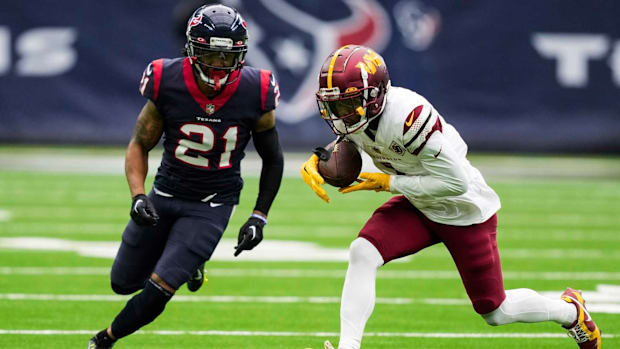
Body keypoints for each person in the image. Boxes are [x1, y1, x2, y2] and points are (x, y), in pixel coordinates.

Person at [300, 45, 601, 349]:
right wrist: (324, 158)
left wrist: (388, 183)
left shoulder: (409, 116)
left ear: (375, 97)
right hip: (418, 205)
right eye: (336, 107)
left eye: (348, 105)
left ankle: (570, 311)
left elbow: (455, 183)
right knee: (362, 252)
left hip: (464, 210)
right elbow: (356, 143)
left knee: (496, 311)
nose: (341, 116)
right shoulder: (361, 117)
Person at [88, 4, 283, 348]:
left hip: (212, 204)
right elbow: (139, 143)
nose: (220, 66)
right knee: (122, 282)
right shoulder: (168, 80)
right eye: (211, 55)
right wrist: (137, 196)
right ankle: (188, 261)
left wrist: (258, 216)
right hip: (164, 192)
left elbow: (273, 158)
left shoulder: (256, 88)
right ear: (192, 49)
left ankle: (105, 339)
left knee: (160, 287)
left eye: (228, 57)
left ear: (241, 54)